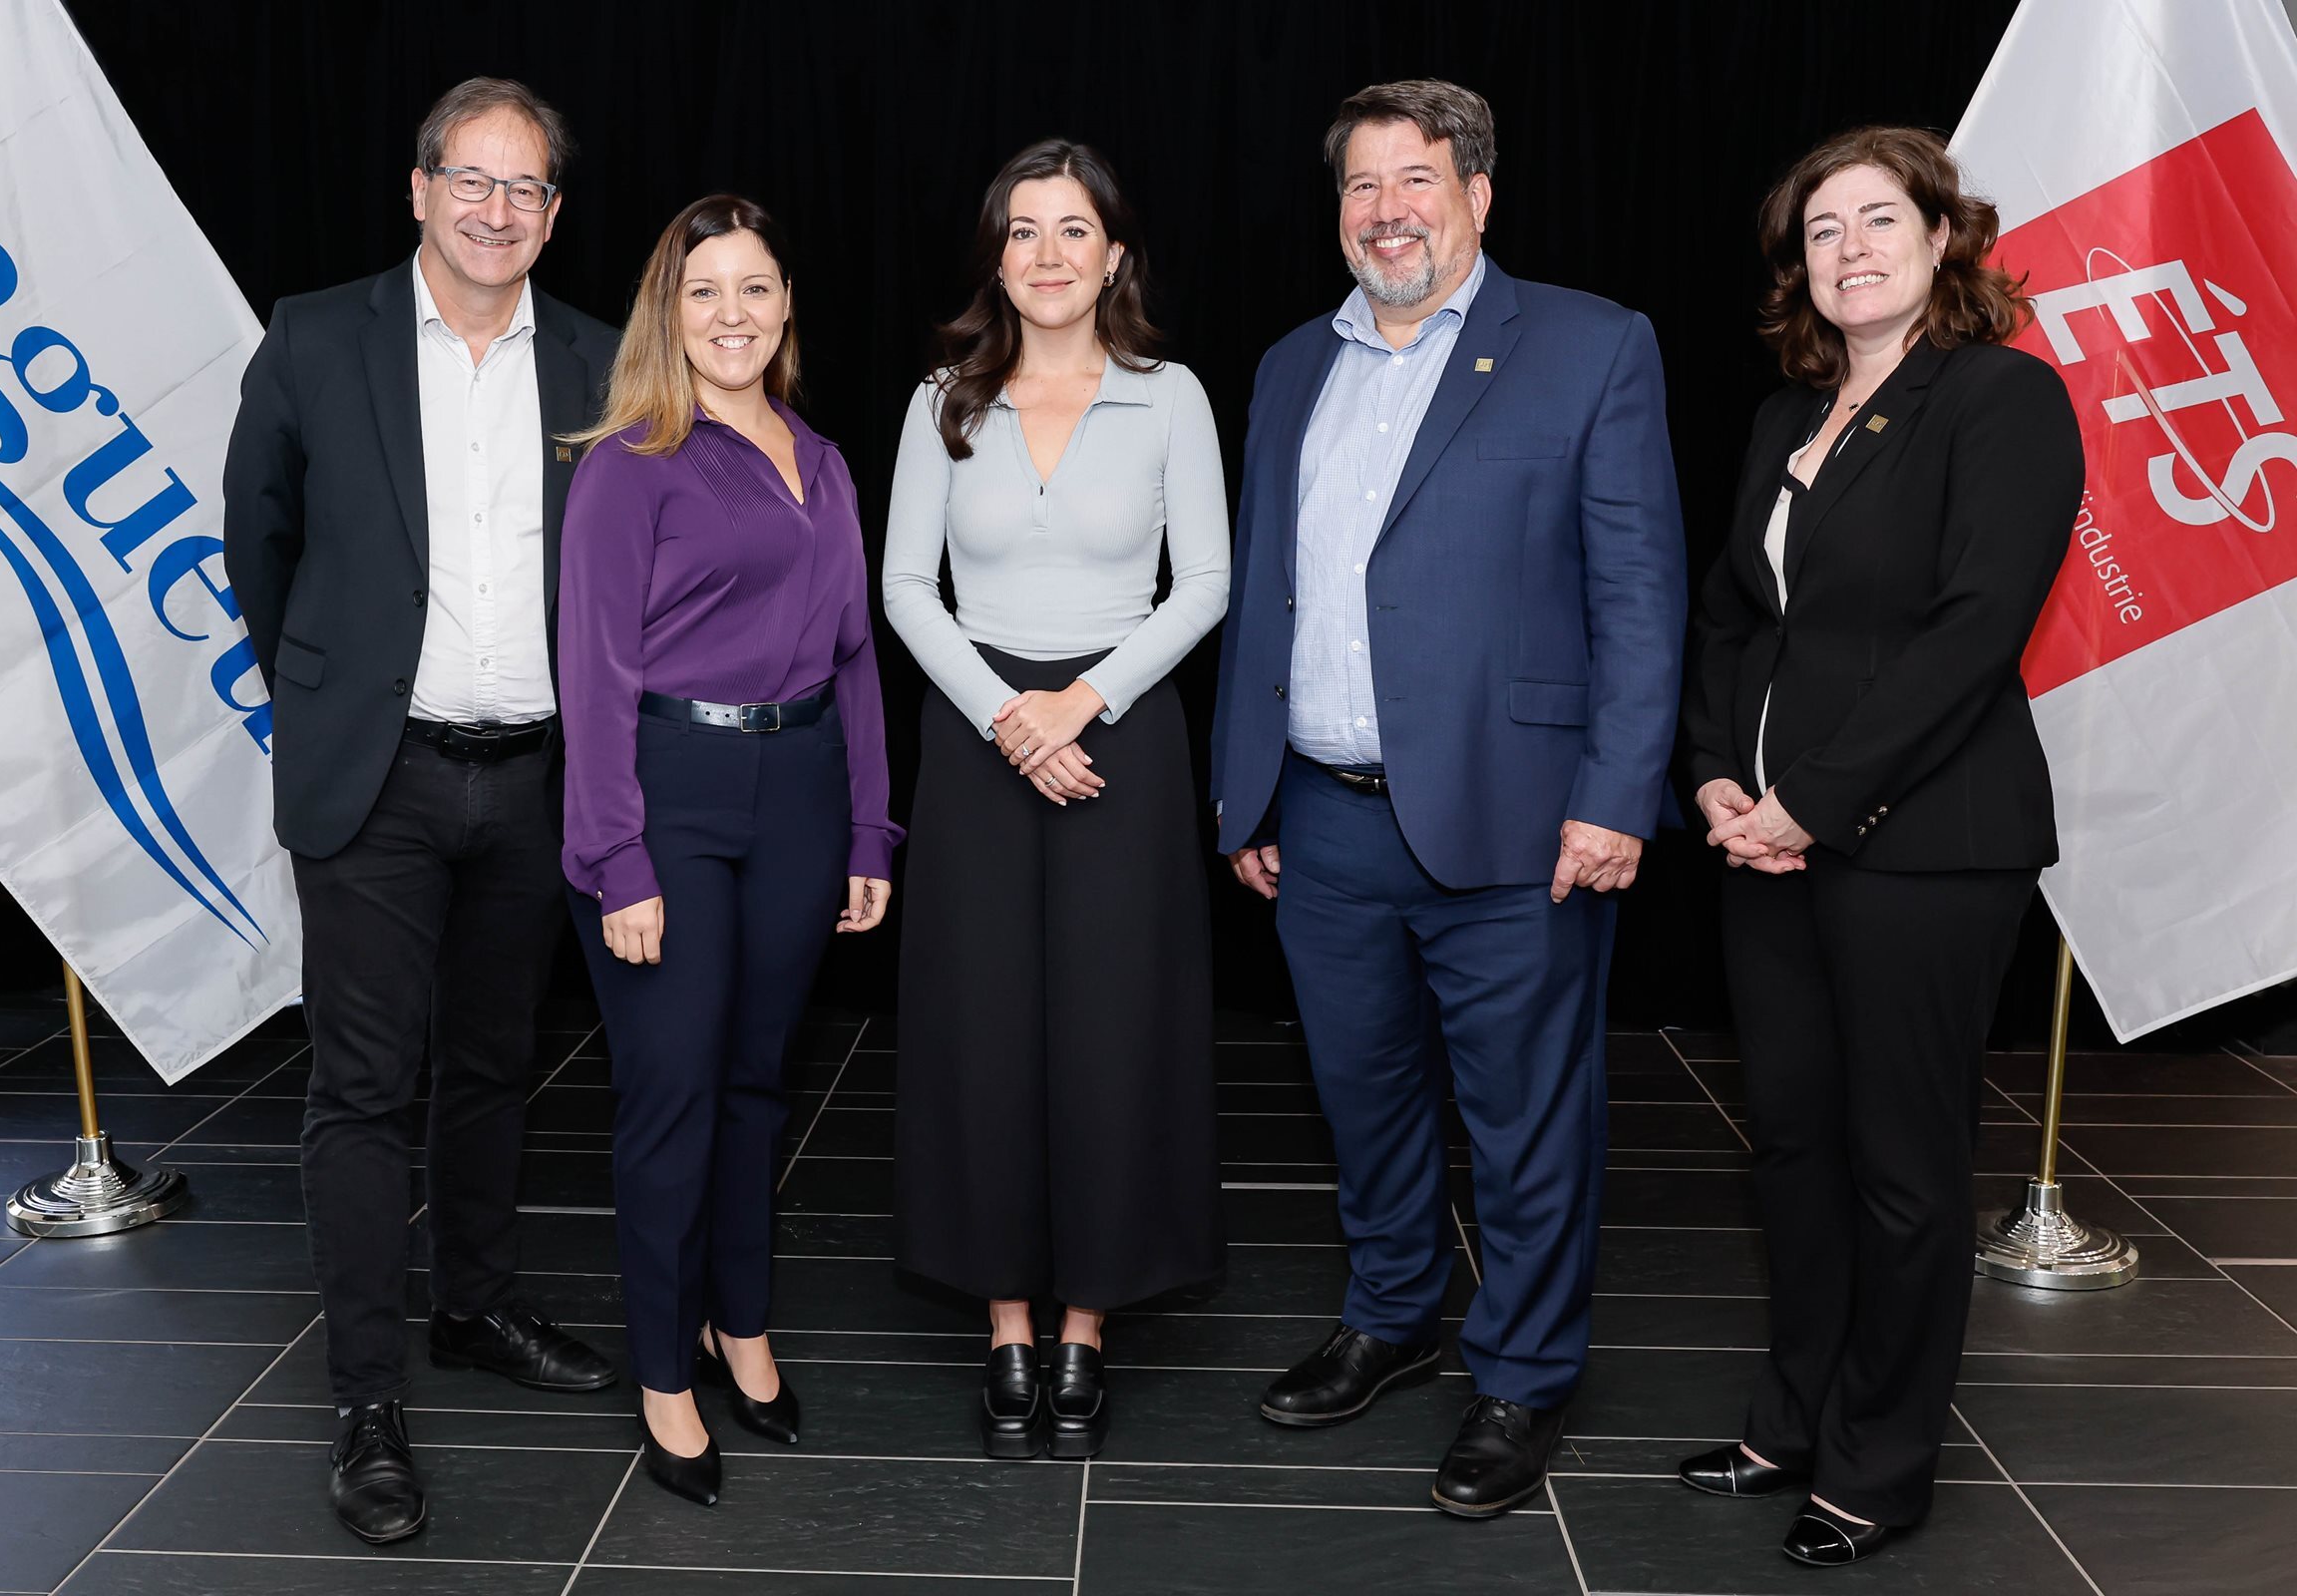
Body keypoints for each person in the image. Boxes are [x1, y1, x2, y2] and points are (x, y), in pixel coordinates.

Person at [1211, 79, 1685, 1518]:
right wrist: (1250, 797)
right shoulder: (1295, 363)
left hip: (1521, 815)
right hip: (1325, 811)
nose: (1387, 211)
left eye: (1417, 180)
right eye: (1362, 186)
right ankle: (1396, 1310)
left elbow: (1641, 594)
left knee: (1528, 1115)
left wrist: (1616, 796)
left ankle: (1525, 1374)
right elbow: (1268, 598)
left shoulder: (1590, 347)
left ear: (1481, 195)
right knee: (1364, 1098)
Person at [1676, 127, 2081, 1568]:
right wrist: (1721, 781)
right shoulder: (1790, 414)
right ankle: (1793, 1418)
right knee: (1791, 1146)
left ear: (1941, 238)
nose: (1848, 249)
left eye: (1876, 221)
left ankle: (1881, 1459)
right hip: (1769, 845)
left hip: (1924, 846)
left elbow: (1972, 636)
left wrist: (1817, 800)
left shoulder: (2002, 399)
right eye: (1821, 232)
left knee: (1903, 1168)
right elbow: (1736, 619)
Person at [223, 77, 618, 1545]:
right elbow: (258, 544)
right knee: (364, 1088)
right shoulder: (316, 337)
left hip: (536, 775)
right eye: (473, 180)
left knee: (499, 1066)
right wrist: (338, 695)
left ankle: (479, 1307)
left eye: (525, 191)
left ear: (554, 214)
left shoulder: (593, 360)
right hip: (376, 777)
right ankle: (366, 1394)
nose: (496, 210)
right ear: (419, 189)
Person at [884, 138, 1229, 1461]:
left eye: (1072, 230)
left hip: (1120, 742)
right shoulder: (942, 400)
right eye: (1023, 231)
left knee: (1110, 1033)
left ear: (1115, 253)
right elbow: (906, 588)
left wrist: (1077, 706)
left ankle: (1087, 1326)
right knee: (980, 1035)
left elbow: (1204, 583)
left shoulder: (1171, 398)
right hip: (976, 739)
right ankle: (1008, 1326)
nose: (1047, 254)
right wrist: (1006, 718)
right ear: (997, 256)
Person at [559, 194, 900, 1507]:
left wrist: (872, 826)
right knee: (672, 1092)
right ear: (670, 310)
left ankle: (737, 1324)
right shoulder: (629, 463)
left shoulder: (822, 460)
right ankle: (663, 1366)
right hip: (671, 789)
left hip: (805, 789)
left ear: (788, 304)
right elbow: (592, 671)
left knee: (761, 1080)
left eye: (755, 288)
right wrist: (616, 857)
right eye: (706, 291)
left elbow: (857, 661)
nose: (733, 314)